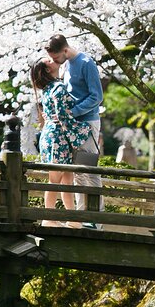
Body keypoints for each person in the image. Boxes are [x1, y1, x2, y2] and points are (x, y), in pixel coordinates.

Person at [45, 34, 104, 229]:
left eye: (55, 58)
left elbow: (97, 96)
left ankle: (96, 218)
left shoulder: (86, 63)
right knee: (77, 172)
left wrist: (73, 111)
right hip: (73, 127)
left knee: (88, 169)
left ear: (65, 50)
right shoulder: (67, 64)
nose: (54, 62)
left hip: (87, 123)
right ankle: (81, 216)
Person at [30, 56, 94, 229]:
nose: (52, 59)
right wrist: (84, 129)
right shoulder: (58, 88)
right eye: (47, 60)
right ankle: (48, 218)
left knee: (66, 178)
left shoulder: (48, 89)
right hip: (57, 137)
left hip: (51, 135)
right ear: (48, 70)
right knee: (56, 179)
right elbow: (64, 116)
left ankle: (72, 218)